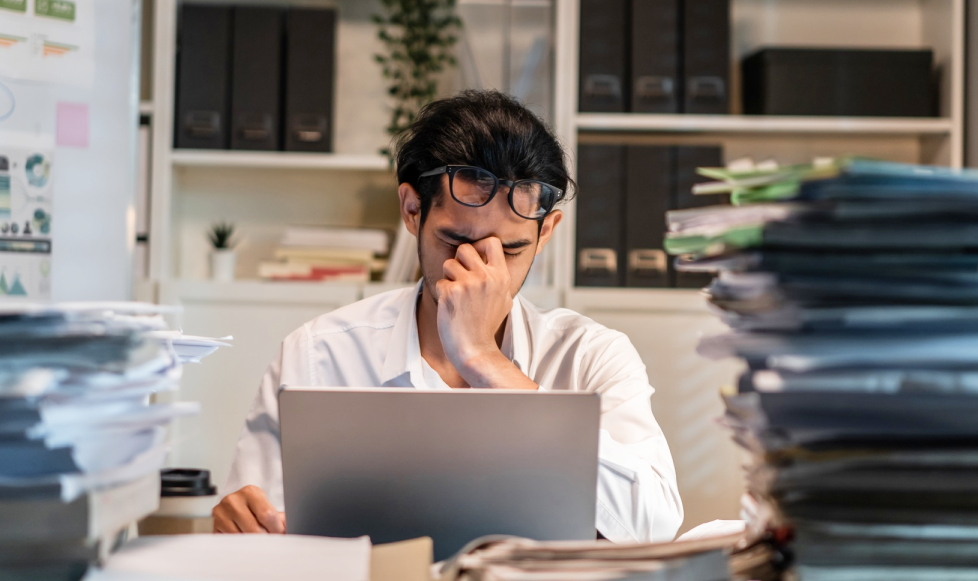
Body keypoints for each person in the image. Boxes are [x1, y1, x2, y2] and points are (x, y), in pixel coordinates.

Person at [214, 90, 684, 542]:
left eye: (513, 249)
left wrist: (485, 361)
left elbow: (655, 524)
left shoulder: (590, 356)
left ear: (546, 233)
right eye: (457, 243)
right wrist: (244, 526)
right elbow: (261, 527)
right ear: (412, 210)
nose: (480, 271)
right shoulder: (319, 353)